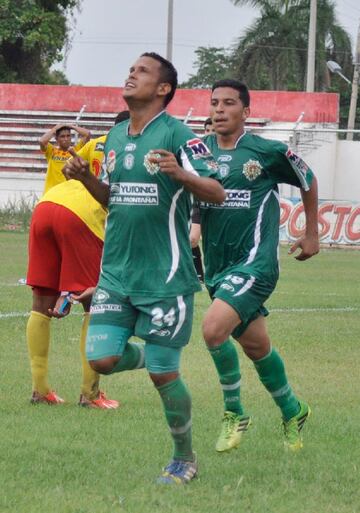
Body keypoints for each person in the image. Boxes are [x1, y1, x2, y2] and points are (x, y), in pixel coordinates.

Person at [63, 52, 225, 484]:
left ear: (163, 89)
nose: (131, 74)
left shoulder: (180, 136)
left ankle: (184, 458)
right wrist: (85, 178)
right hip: (116, 275)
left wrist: (182, 175)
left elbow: (217, 191)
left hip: (166, 277)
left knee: (163, 373)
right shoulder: (114, 137)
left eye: (142, 71)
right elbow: (113, 198)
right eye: (130, 68)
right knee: (101, 360)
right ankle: (148, 355)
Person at [200, 79, 319, 454]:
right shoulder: (197, 153)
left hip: (256, 264)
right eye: (215, 102)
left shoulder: (266, 152)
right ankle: (293, 409)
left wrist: (311, 233)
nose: (219, 109)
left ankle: (235, 413)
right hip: (217, 267)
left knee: (213, 330)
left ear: (246, 112)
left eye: (229, 103)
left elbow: (308, 178)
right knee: (256, 346)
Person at [26, 111, 129, 409]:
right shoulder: (134, 147)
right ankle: (90, 393)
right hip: (82, 214)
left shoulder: (95, 142)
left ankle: (40, 389)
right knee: (93, 303)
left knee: (40, 303)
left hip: (47, 205)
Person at [40, 123, 91, 194]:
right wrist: (55, 129)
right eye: (62, 136)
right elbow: (42, 141)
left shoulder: (76, 150)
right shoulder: (51, 151)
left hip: (68, 193)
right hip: (52, 192)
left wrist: (71, 126)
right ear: (56, 139)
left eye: (68, 136)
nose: (66, 139)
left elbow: (87, 134)